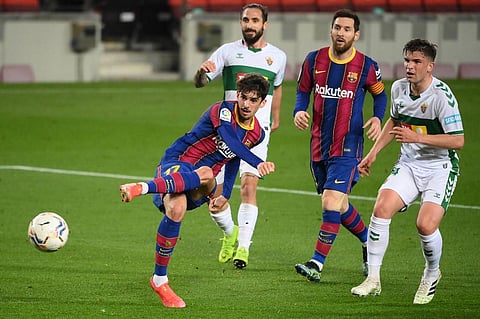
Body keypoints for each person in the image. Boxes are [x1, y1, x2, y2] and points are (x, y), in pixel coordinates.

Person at [119, 73, 275, 308]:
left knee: (207, 175)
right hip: (178, 161)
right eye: (243, 97)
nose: (246, 104)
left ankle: (142, 188)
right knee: (177, 207)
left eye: (253, 100)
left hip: (203, 178)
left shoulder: (257, 134)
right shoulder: (222, 111)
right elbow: (231, 142)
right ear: (237, 95)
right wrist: (256, 162)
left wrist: (226, 194)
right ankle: (160, 280)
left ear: (262, 103)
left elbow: (232, 158)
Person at [351, 39, 464, 304]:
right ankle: (373, 280)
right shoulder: (399, 88)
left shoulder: (441, 96)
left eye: (417, 62)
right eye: (407, 60)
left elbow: (458, 140)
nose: (409, 66)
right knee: (381, 209)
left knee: (425, 225)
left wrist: (418, 138)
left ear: (430, 66)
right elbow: (395, 120)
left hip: (440, 168)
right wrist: (373, 153)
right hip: (410, 165)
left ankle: (431, 273)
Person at [293, 8, 387, 282]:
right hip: (319, 144)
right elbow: (302, 91)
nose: (341, 33)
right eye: (337, 27)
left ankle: (316, 263)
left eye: (347, 29)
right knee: (339, 204)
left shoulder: (367, 66)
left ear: (356, 34)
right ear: (331, 30)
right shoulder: (314, 60)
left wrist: (377, 118)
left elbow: (380, 96)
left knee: (331, 201)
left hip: (349, 145)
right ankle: (369, 241)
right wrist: (298, 111)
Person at [193, 3, 286, 269]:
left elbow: (277, 89)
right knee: (216, 195)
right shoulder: (227, 51)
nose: (250, 25)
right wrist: (201, 73)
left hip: (257, 133)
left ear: (265, 24)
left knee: (248, 186)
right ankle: (229, 233)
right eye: (246, 20)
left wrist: (274, 118)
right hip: (227, 131)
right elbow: (201, 82)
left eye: (255, 20)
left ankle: (243, 248)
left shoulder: (277, 57)